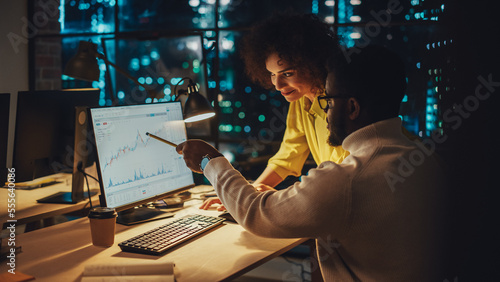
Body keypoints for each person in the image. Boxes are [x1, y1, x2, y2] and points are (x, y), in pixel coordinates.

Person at [177, 45, 448, 281]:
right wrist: (283, 197)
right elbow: (291, 158)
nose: (322, 109)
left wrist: (211, 160)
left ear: (352, 107)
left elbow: (257, 215)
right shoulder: (425, 160)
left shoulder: (346, 178)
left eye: (328, 101)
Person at [201, 13, 349, 210]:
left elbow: (341, 175)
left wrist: (260, 199)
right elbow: (288, 155)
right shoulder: (300, 100)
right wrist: (246, 195)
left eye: (287, 74)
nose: (278, 85)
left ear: (314, 64)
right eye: (272, 74)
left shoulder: (340, 103)